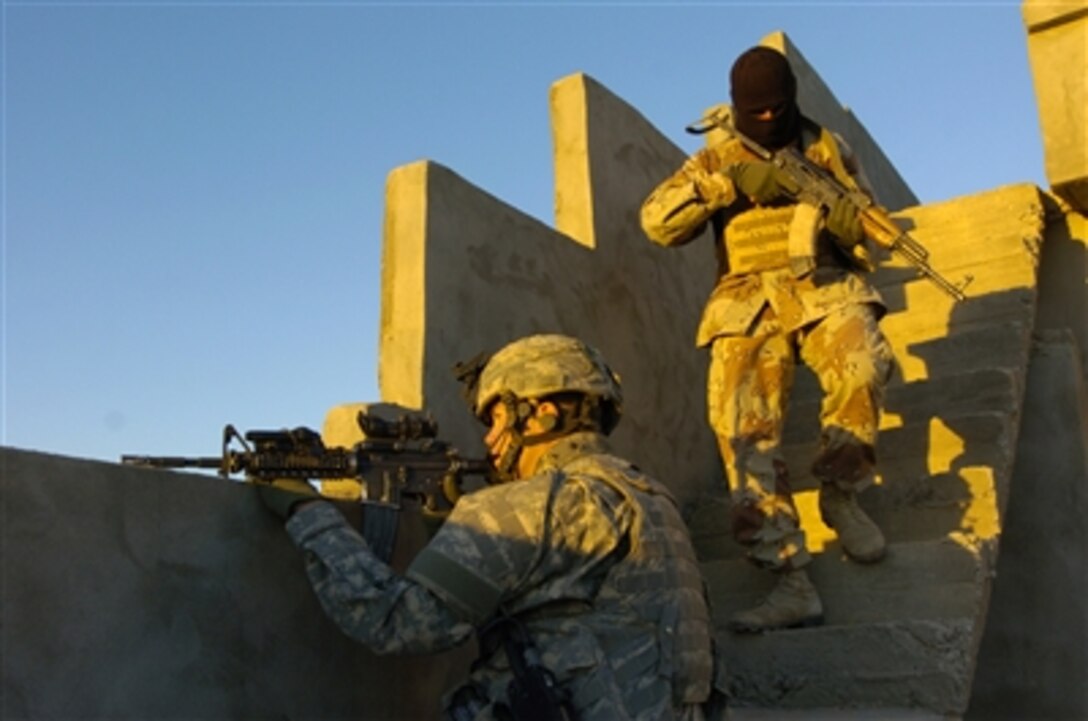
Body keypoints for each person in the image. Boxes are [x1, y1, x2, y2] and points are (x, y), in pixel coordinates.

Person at [259, 333, 719, 719]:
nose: (488, 439)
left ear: (542, 415)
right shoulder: (652, 499)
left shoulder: (530, 504)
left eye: (496, 418)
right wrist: (451, 523)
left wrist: (308, 512)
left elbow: (397, 622)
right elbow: (560, 608)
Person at [639, 46, 896, 633]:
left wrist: (848, 223)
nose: (766, 120)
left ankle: (841, 494)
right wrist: (726, 184)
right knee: (742, 433)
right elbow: (656, 222)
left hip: (826, 287)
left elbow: (869, 219)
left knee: (864, 365)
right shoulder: (715, 155)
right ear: (737, 109)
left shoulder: (828, 147)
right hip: (747, 303)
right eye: (753, 113)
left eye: (775, 110)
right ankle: (790, 580)